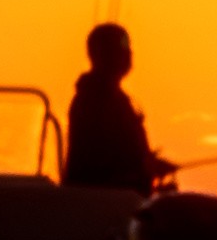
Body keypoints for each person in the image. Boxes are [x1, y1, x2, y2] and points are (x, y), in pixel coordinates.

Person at [62, 22, 164, 194]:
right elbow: (99, 160)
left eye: (129, 46)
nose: (129, 52)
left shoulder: (114, 98)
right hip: (103, 201)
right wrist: (144, 167)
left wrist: (148, 166)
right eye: (122, 46)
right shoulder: (94, 99)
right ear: (102, 53)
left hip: (120, 199)